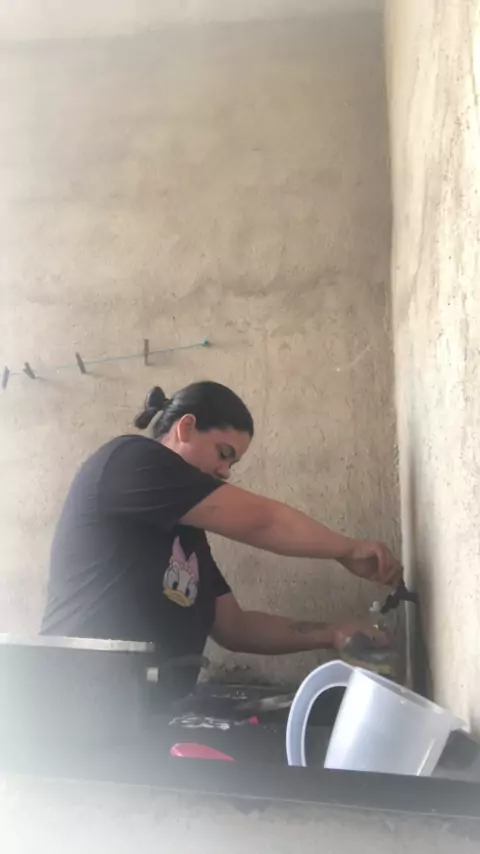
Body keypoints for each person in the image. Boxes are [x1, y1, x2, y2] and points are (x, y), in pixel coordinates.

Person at [41, 381, 402, 699]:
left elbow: (235, 627)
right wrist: (347, 549)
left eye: (233, 464)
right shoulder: (130, 461)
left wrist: (334, 632)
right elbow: (263, 521)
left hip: (135, 710)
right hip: (79, 701)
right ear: (186, 427)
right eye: (223, 454)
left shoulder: (186, 533)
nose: (225, 472)